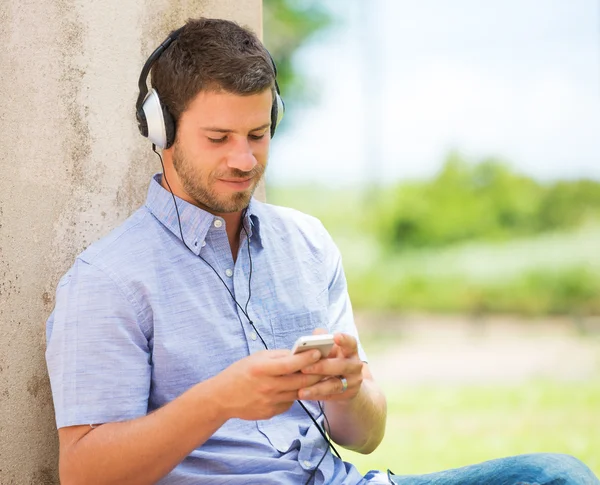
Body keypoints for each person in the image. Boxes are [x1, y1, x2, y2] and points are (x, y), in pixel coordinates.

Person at [45, 17, 599, 485]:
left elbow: (366, 438)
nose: (245, 160)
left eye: (258, 135)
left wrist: (350, 387)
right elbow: (84, 471)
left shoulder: (307, 243)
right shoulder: (107, 280)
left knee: (558, 474)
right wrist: (219, 400)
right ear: (161, 129)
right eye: (219, 139)